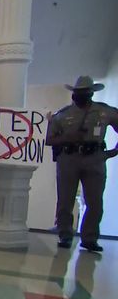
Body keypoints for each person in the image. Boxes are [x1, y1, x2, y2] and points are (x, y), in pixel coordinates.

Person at [46, 76, 118, 253]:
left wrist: (114, 151)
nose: (80, 95)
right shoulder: (62, 115)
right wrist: (66, 138)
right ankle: (65, 234)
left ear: (91, 93)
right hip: (69, 158)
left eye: (84, 92)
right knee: (65, 200)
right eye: (77, 92)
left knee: (95, 201)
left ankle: (89, 238)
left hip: (95, 158)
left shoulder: (104, 112)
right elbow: (49, 139)